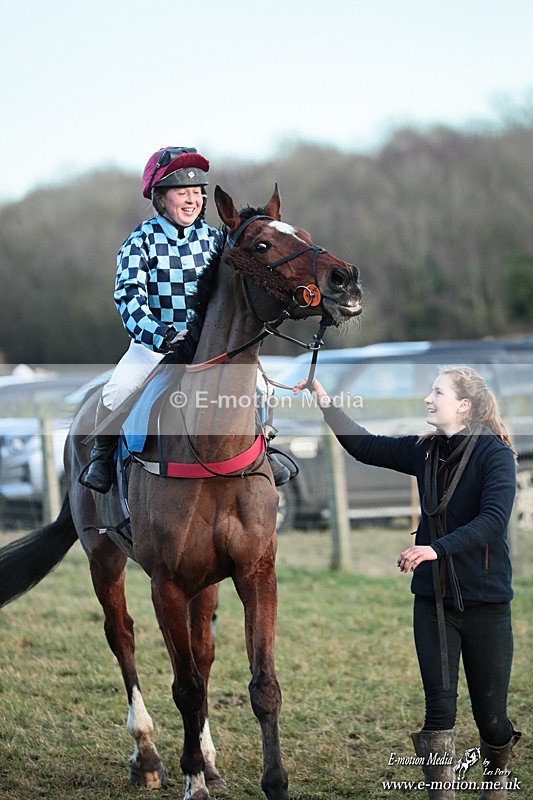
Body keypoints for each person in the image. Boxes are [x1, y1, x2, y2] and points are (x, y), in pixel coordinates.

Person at [295, 366, 521, 800]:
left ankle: (495, 784)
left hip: (487, 603)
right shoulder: (425, 450)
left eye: (437, 392)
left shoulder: (494, 454)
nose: (427, 400)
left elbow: (493, 521)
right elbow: (364, 446)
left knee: (492, 718)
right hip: (432, 601)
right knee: (439, 710)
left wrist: (436, 549)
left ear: (464, 405)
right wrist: (324, 401)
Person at [81, 146, 291, 493]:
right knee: (119, 390)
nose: (192, 200)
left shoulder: (217, 240)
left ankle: (264, 449)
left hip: (210, 347)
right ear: (161, 199)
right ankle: (101, 458)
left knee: (261, 387)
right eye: (182, 192)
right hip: (155, 346)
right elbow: (129, 299)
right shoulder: (139, 241)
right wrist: (161, 335)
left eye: (197, 192)